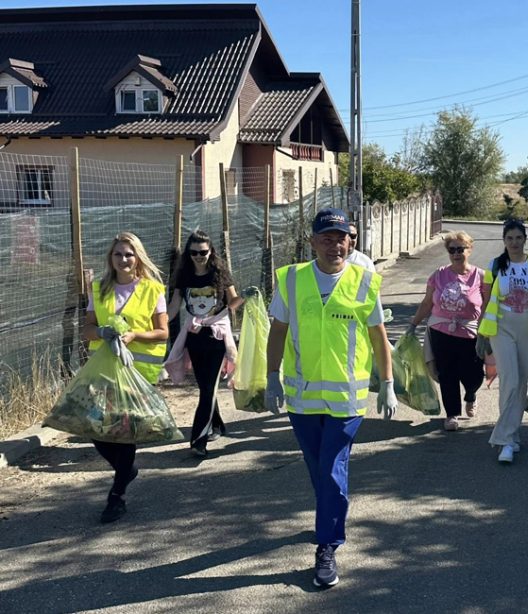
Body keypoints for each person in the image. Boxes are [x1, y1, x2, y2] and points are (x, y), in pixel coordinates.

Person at [265, 207, 398, 589]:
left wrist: (386, 382)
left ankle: (327, 545)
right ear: (312, 242)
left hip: (346, 401)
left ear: (349, 242)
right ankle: (329, 517)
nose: (334, 245)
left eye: (340, 238)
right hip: (303, 399)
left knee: (331, 468)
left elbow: (378, 338)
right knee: (318, 467)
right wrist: (271, 377)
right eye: (326, 237)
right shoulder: (292, 279)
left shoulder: (363, 281)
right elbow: (278, 332)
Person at [82, 231, 168, 523]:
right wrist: (103, 332)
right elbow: (87, 329)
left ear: (137, 257)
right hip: (104, 371)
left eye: (129, 254)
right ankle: (126, 470)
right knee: (97, 430)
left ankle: (116, 496)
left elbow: (163, 331)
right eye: (118, 254)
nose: (123, 259)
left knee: (125, 433)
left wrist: (134, 335)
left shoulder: (152, 289)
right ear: (111, 258)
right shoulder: (99, 288)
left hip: (137, 372)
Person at [477, 218, 528, 464]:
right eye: (509, 238)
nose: (514, 242)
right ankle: (505, 441)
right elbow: (486, 301)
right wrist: (482, 334)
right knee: (510, 380)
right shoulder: (494, 265)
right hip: (501, 329)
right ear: (503, 240)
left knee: (521, 382)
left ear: (525, 239)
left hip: (527, 330)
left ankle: (512, 435)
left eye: (518, 238)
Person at [165, 230, 248, 458]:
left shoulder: (220, 273)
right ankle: (218, 425)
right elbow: (173, 307)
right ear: (188, 254)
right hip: (194, 336)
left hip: (216, 336)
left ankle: (198, 439)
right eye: (193, 252)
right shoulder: (184, 276)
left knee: (209, 388)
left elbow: (232, 303)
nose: (198, 256)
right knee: (205, 388)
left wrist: (246, 296)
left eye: (202, 252)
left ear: (210, 251)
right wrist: (156, 323)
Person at [406, 231, 485, 431]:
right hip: (441, 331)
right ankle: (452, 414)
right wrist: (413, 325)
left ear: (470, 249)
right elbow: (426, 303)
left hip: (470, 332)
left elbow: (488, 306)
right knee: (447, 374)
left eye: (461, 249)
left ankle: (471, 394)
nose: (456, 253)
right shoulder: (438, 275)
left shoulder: (481, 276)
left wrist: (487, 332)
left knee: (474, 375)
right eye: (452, 250)